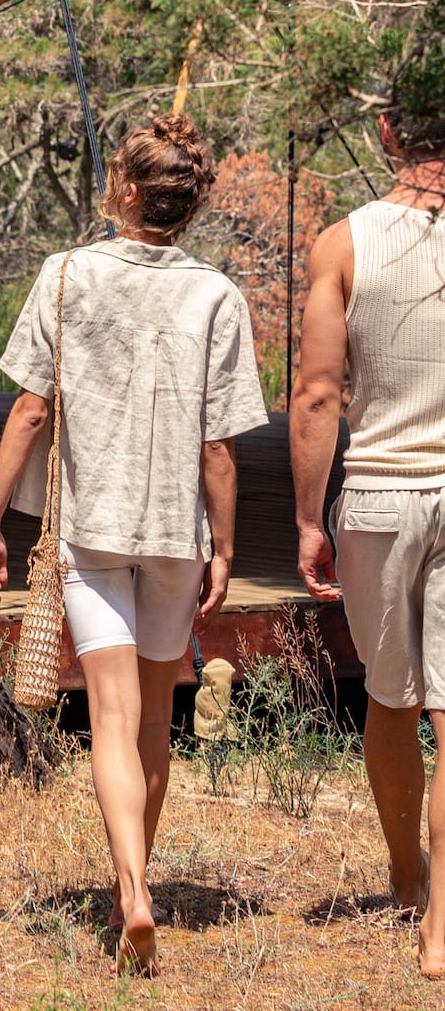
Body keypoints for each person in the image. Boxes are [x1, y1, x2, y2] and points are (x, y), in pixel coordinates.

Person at [0, 115, 268, 977]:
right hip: (177, 533)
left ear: (130, 193)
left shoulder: (64, 277)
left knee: (107, 717)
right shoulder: (217, 295)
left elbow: (31, 410)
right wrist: (225, 546)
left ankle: (131, 889)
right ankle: (134, 888)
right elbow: (219, 446)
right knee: (153, 721)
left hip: (91, 528)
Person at [291, 49, 445, 980]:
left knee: (391, 703)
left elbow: (317, 393)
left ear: (389, 132)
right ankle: (444, 935)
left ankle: (407, 877)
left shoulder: (344, 244)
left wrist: (310, 517)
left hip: (382, 496)